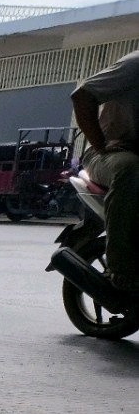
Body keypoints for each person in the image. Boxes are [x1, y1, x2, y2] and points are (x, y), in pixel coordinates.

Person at [72, 47, 139, 294]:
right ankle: (119, 269)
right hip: (110, 154)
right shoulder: (134, 65)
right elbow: (82, 96)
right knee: (130, 169)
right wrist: (101, 145)